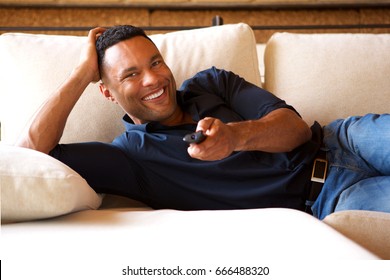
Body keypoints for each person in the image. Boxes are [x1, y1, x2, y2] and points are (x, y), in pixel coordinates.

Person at [16, 25, 390, 220]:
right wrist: (82, 73)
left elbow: (293, 129)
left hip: (344, 139)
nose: (153, 80)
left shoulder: (213, 83)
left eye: (155, 63)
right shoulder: (132, 157)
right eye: (131, 75)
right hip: (332, 197)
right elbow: (31, 153)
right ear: (108, 93)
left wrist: (234, 137)